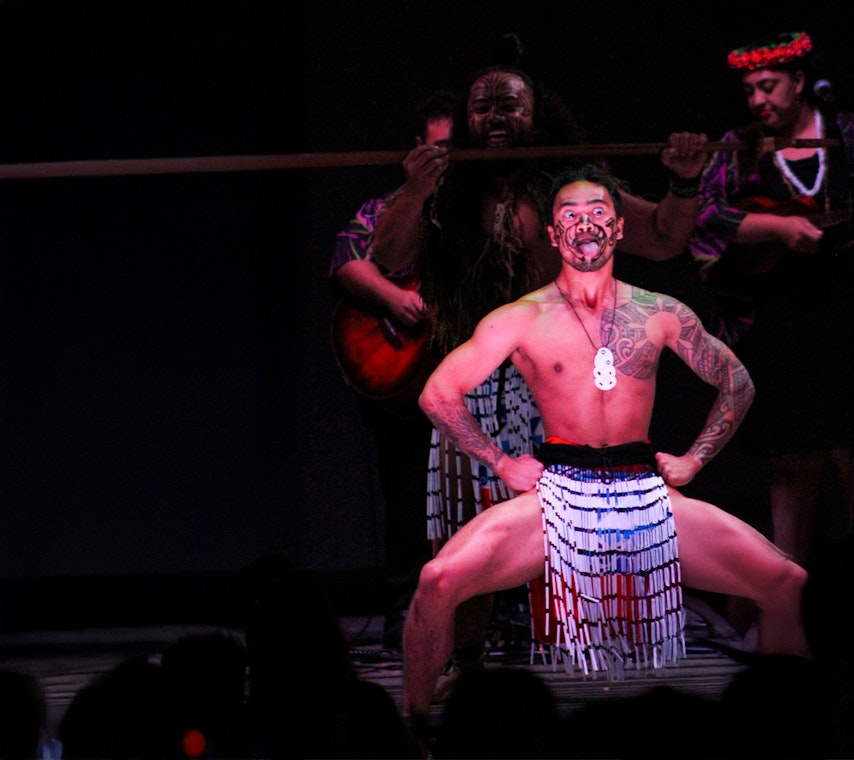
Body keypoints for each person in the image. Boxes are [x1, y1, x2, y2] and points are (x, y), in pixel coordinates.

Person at [403, 165, 811, 732]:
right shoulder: (521, 317)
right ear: (553, 235)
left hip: (643, 492)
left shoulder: (659, 311)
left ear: (619, 228)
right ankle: (409, 733)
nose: (585, 223)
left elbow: (737, 382)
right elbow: (438, 393)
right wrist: (500, 461)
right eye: (570, 214)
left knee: (785, 582)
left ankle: (790, 735)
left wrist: (695, 458)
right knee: (437, 581)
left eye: (598, 211)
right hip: (559, 496)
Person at [373, 40, 713, 686]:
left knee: (587, 536)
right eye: (482, 107)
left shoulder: (572, 189)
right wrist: (415, 189)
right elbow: (389, 256)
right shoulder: (445, 192)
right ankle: (468, 669)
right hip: (475, 389)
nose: (496, 118)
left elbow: (665, 237)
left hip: (559, 387)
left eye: (510, 105)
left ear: (538, 115)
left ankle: (600, 669)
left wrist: (684, 181)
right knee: (464, 539)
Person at [689, 30, 854, 567]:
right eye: (749, 91)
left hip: (852, 322)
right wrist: (777, 227)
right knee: (791, 464)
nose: (758, 101)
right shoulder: (739, 147)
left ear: (799, 82)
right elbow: (705, 216)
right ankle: (788, 603)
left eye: (768, 86)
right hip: (780, 327)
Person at [328, 89, 456, 647]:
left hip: (475, 385)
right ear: (416, 149)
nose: (446, 160)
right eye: (437, 149)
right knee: (407, 495)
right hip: (406, 383)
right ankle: (407, 610)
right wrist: (393, 297)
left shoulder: (487, 209)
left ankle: (489, 615)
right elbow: (345, 261)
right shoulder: (387, 207)